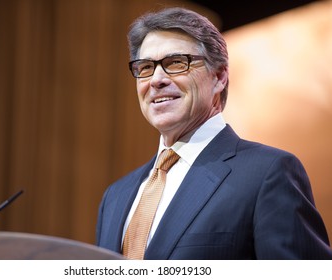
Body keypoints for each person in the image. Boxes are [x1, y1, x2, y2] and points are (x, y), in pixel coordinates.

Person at [95, 7, 332, 259]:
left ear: (218, 76)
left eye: (176, 63)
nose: (156, 79)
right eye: (145, 68)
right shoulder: (115, 196)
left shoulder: (268, 174)